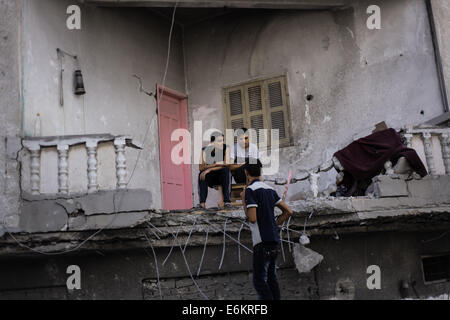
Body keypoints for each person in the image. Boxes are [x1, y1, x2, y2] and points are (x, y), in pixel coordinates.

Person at [241, 158, 293, 300]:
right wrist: (275, 224)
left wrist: (244, 203)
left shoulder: (250, 190)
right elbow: (288, 212)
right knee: (271, 279)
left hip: (261, 242)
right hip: (274, 240)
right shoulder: (270, 189)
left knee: (260, 282)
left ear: (246, 172)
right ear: (260, 171)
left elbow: (252, 218)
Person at [198, 132, 232, 209]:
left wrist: (209, 169)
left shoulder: (226, 148)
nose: (222, 143)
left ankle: (227, 201)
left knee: (226, 170)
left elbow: (226, 164)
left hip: (222, 177)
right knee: (201, 174)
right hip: (211, 179)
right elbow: (201, 167)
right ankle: (202, 203)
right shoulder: (204, 150)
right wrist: (215, 164)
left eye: (222, 140)